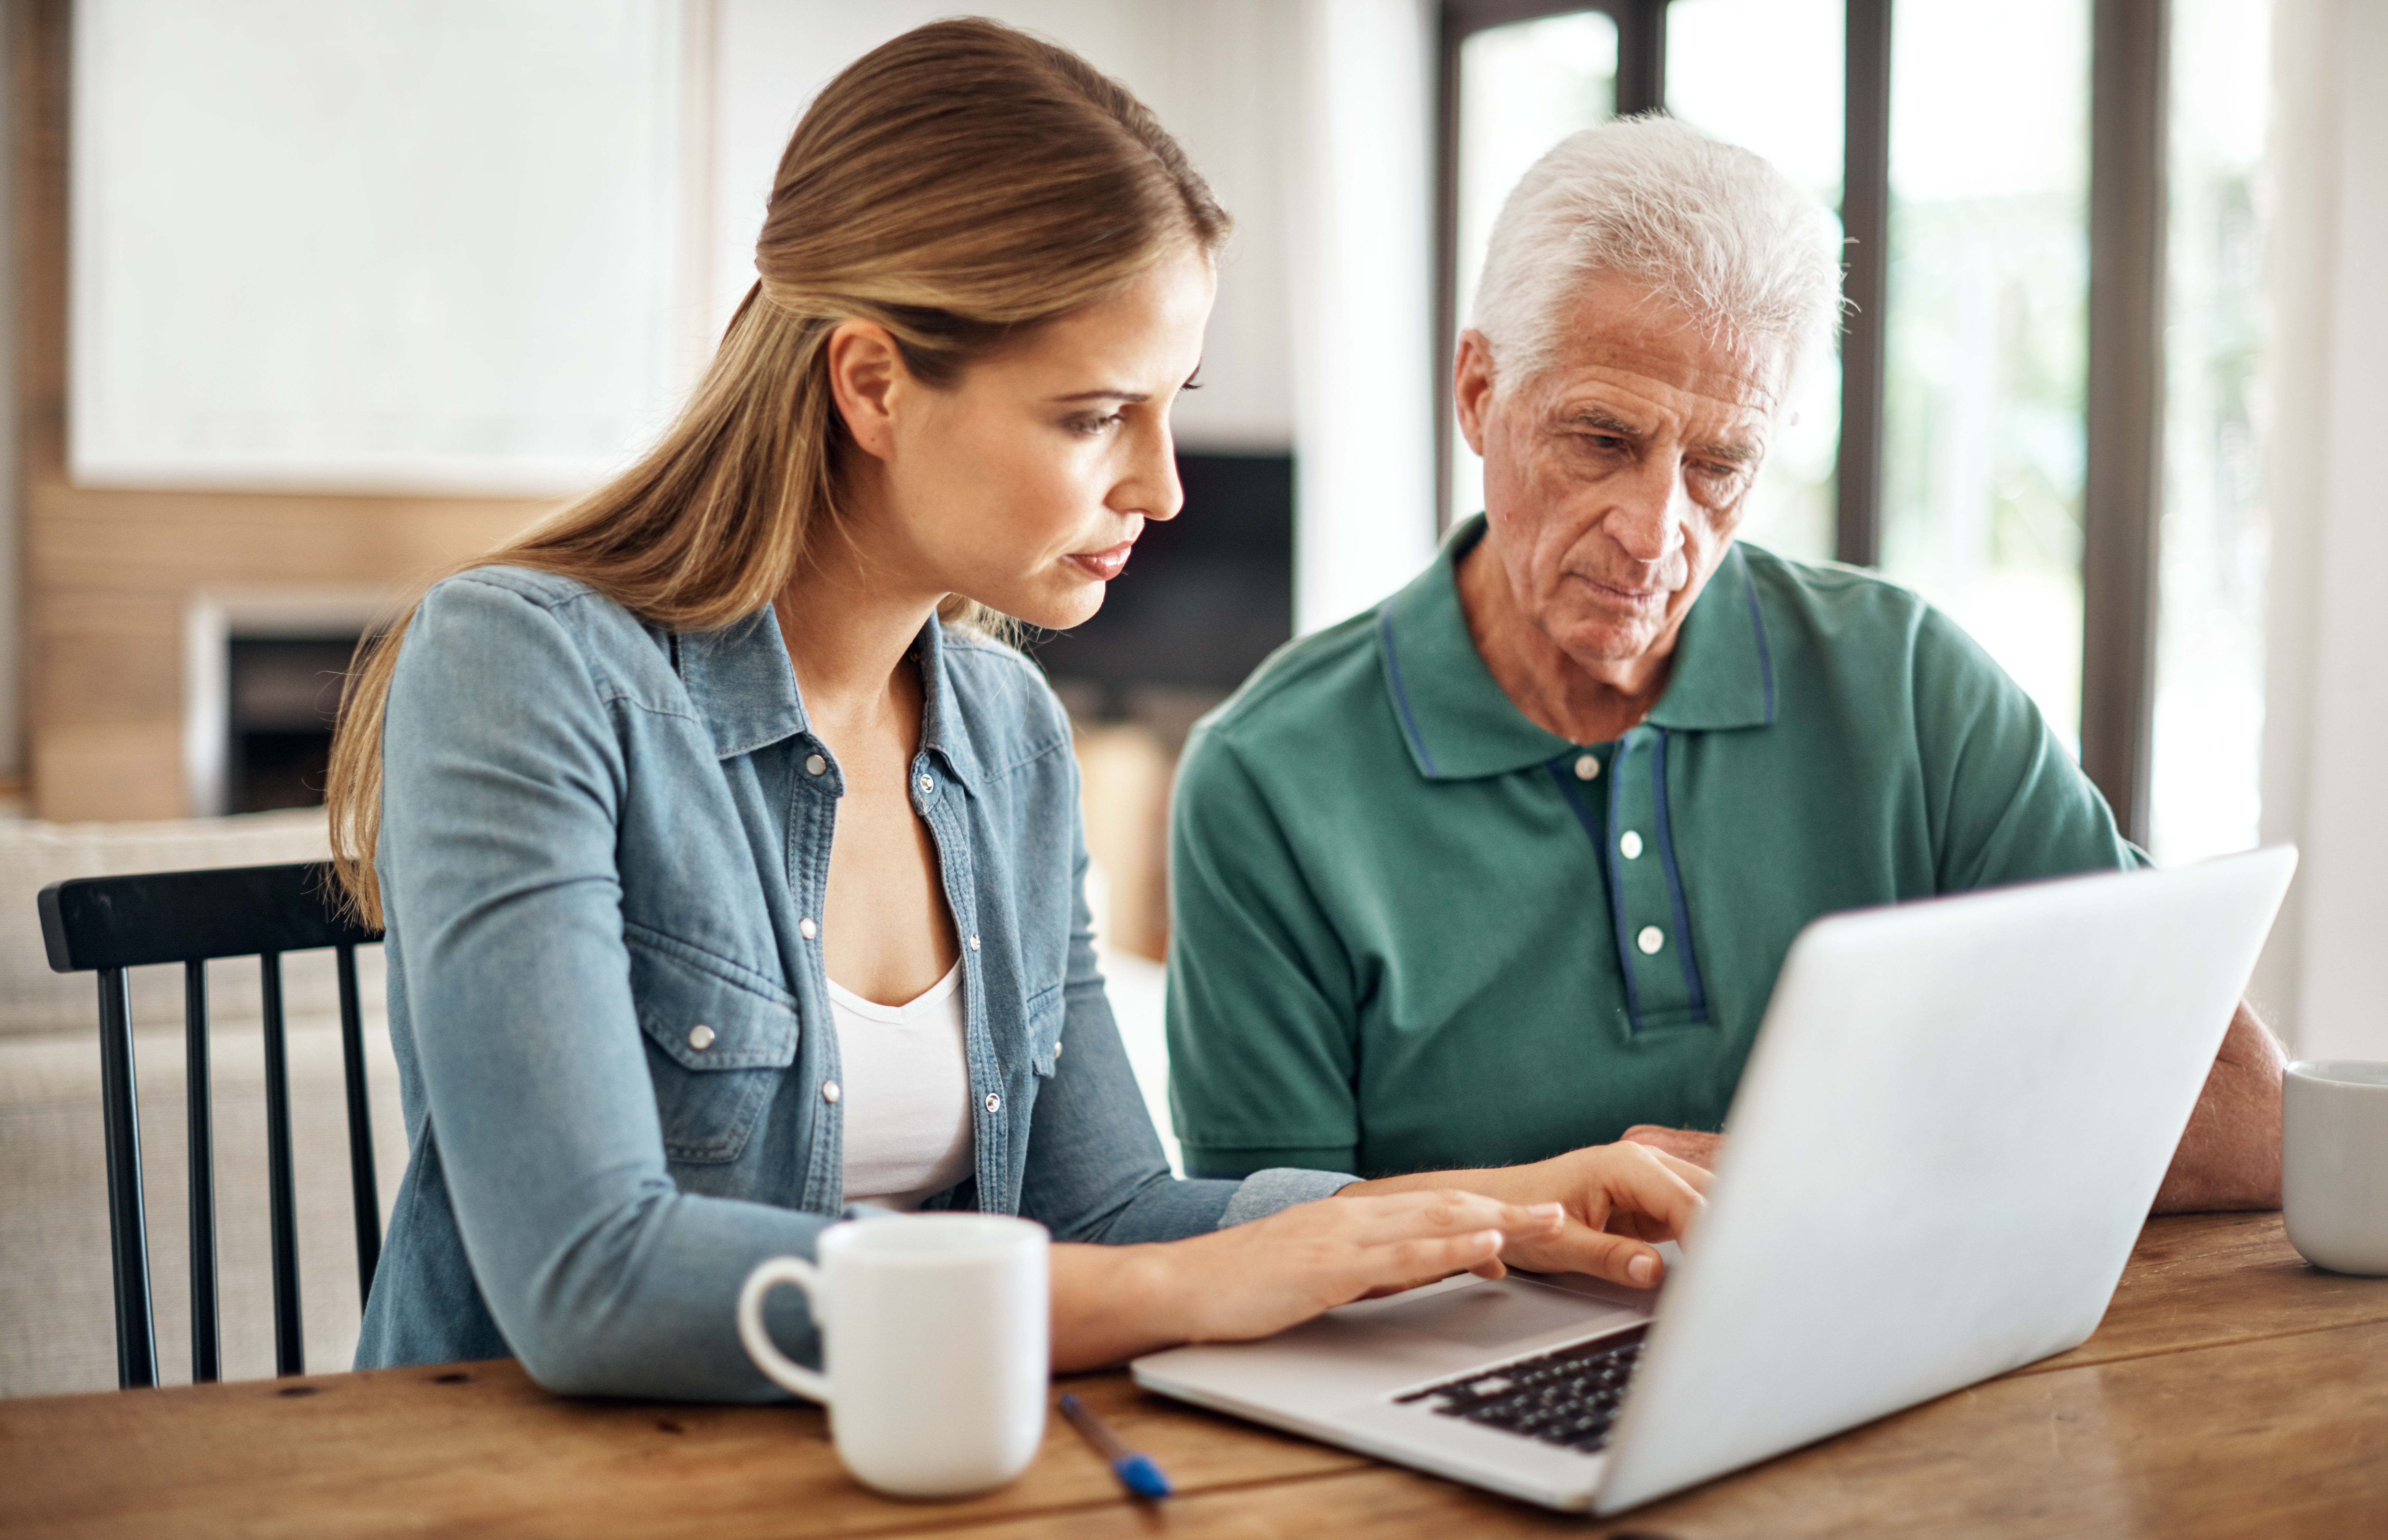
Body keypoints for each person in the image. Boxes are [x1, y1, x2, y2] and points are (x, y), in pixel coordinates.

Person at [325, 20, 1707, 1401]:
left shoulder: (1003, 730)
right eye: (1094, 415)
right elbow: (592, 1278)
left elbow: (1108, 1213)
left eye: (1170, 406)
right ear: (872, 383)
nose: (1161, 488)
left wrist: (1508, 1210)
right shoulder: (525, 667)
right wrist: (1177, 1289)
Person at [1165, 118, 2284, 1212]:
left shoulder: (1911, 685)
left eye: (1720, 464)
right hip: (1458, 1387)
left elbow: (2245, 1115)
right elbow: (1264, 1250)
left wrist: (1798, 1174)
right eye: (1603, 440)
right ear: (1478, 393)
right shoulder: (1268, 779)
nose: (1657, 532)